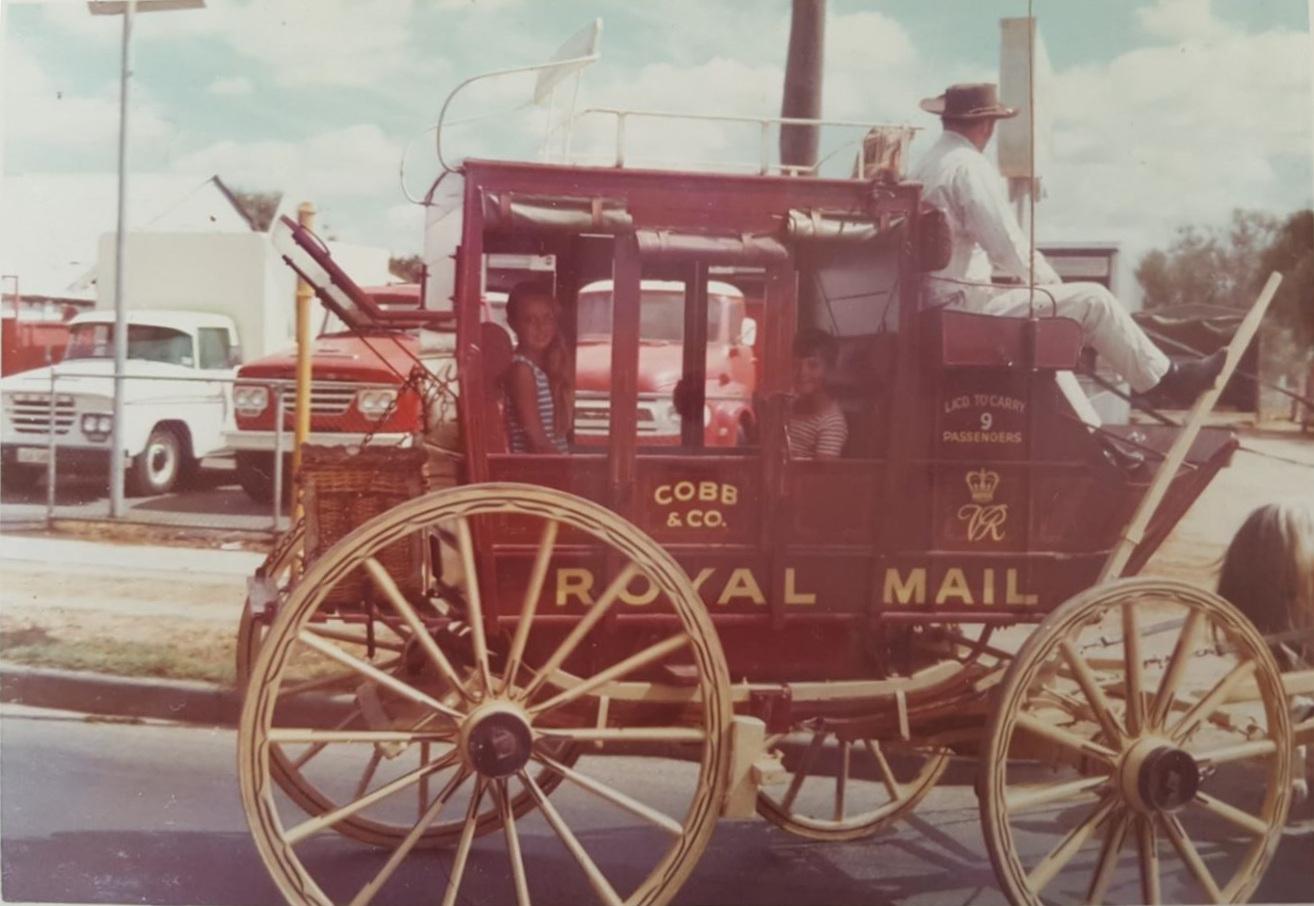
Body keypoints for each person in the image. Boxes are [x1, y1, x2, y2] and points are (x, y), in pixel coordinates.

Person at [910, 82, 1223, 400]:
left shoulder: (925, 164)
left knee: (1062, 304)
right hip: (964, 312)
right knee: (1094, 300)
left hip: (937, 307)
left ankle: (1150, 381)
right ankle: (1171, 381)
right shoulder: (968, 166)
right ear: (988, 124)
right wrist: (1050, 285)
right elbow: (1007, 245)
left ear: (947, 120)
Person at [504, 282, 569, 454]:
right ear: (513, 324)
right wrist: (570, 472)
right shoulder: (522, 370)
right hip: (534, 475)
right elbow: (537, 442)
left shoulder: (546, 367)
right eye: (530, 320)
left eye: (547, 318)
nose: (540, 327)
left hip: (550, 469)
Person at [787, 328, 848, 460]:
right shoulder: (788, 407)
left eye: (813, 365)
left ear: (830, 370)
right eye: (796, 365)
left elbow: (820, 479)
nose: (802, 372)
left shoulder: (831, 423)